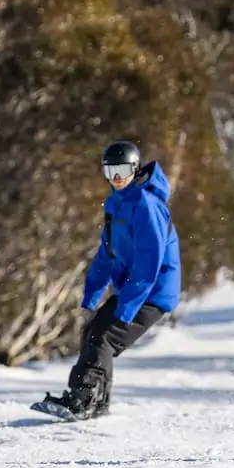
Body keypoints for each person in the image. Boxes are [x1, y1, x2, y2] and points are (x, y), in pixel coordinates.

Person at [33, 141, 182, 420]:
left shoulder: (146, 205)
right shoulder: (116, 203)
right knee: (94, 332)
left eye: (123, 170)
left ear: (135, 169)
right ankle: (97, 402)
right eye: (111, 170)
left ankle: (82, 400)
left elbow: (149, 264)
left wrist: (125, 310)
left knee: (104, 338)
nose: (117, 177)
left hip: (154, 291)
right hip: (134, 290)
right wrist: (91, 295)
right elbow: (107, 253)